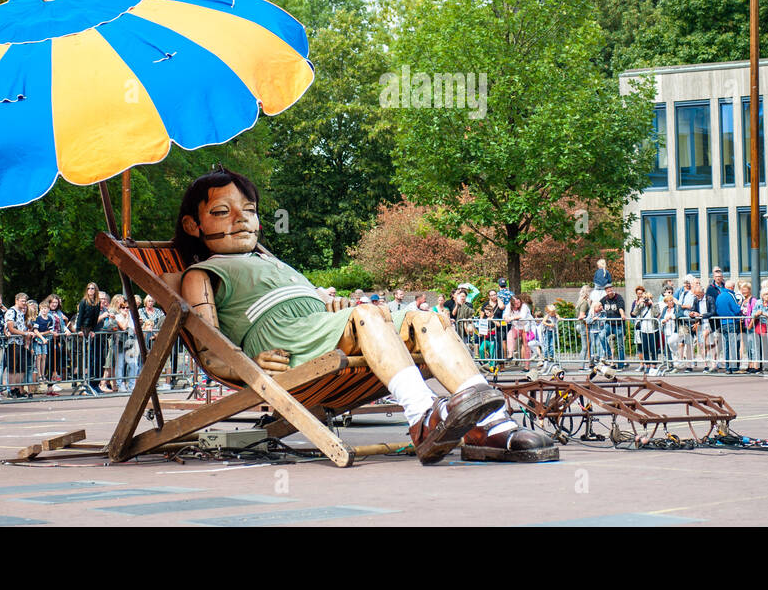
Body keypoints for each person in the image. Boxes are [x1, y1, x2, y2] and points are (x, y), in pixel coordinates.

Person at [174, 168, 557, 463]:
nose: (241, 220)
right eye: (222, 212)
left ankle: (487, 424)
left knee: (426, 317)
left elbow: (313, 304)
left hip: (318, 328)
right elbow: (209, 351)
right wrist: (248, 367)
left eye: (250, 211)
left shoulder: (273, 262)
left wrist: (333, 306)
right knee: (368, 314)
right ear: (194, 225)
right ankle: (422, 415)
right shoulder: (203, 273)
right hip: (284, 341)